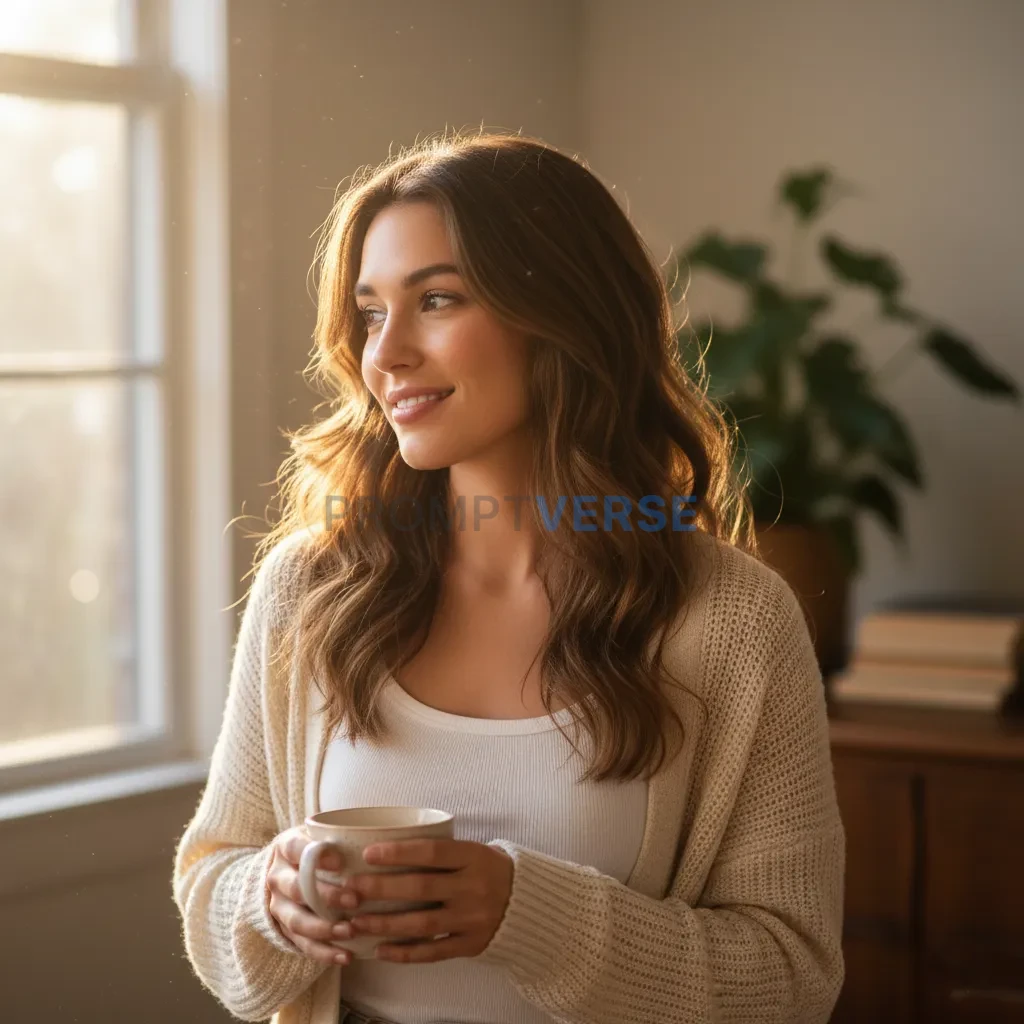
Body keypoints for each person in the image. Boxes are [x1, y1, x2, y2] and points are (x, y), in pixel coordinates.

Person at [172, 129, 845, 1024]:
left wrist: (528, 916)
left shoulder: (732, 618)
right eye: (371, 313)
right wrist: (271, 901)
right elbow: (214, 884)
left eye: (437, 300)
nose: (387, 354)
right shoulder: (312, 587)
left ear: (564, 316)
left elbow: (792, 976)